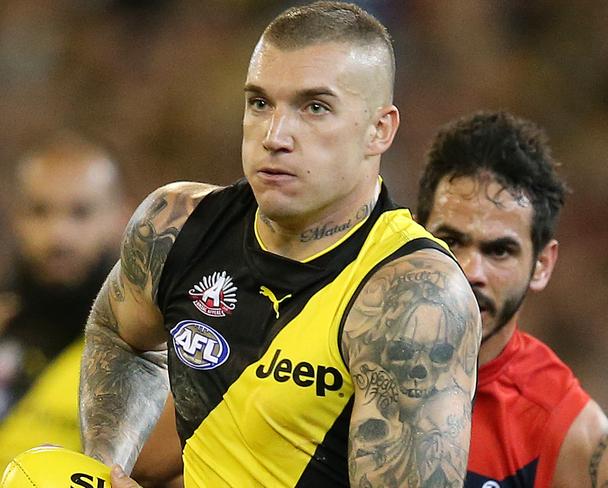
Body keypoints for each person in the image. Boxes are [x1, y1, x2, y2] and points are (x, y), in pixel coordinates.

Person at [79, 2, 481, 487]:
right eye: (260, 103)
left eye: (314, 107)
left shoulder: (413, 297)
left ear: (380, 129)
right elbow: (119, 334)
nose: (275, 135)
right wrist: (103, 468)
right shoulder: (176, 226)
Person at [416, 111, 608, 487]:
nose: (470, 270)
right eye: (451, 241)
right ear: (412, 238)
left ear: (541, 265)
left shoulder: (572, 431)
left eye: (499, 251)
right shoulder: (338, 360)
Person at [0, 132, 127, 466]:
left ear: (119, 218)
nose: (59, 236)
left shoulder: (149, 347)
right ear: (16, 218)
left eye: (81, 213)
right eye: (39, 212)